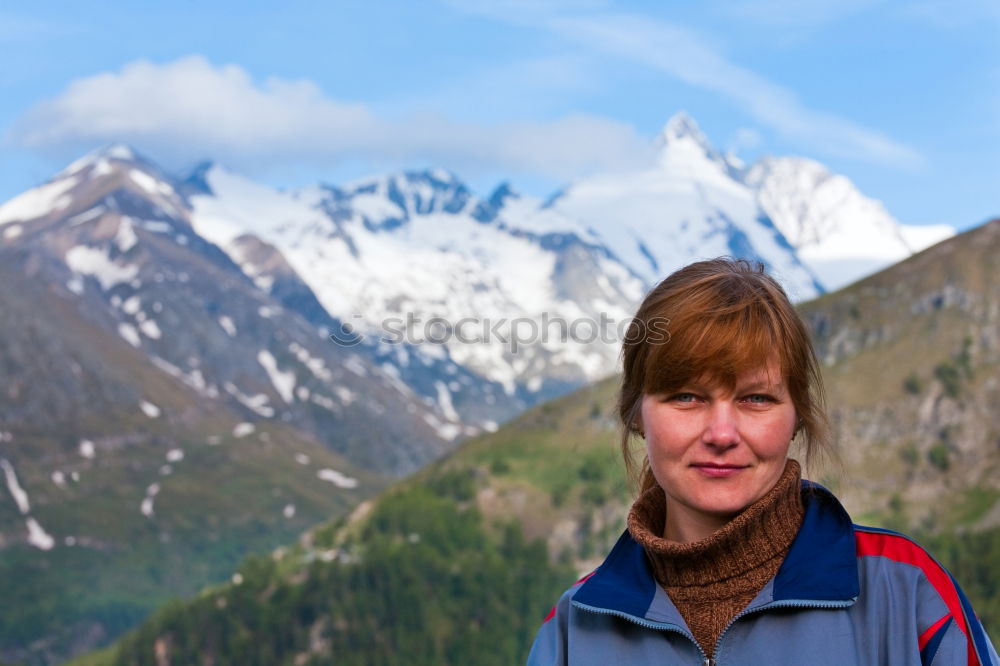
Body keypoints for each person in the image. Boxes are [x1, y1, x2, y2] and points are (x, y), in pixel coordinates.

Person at [527, 258, 998, 665]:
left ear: (797, 416)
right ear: (636, 414)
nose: (722, 434)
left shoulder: (907, 592)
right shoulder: (576, 626)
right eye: (686, 397)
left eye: (756, 398)